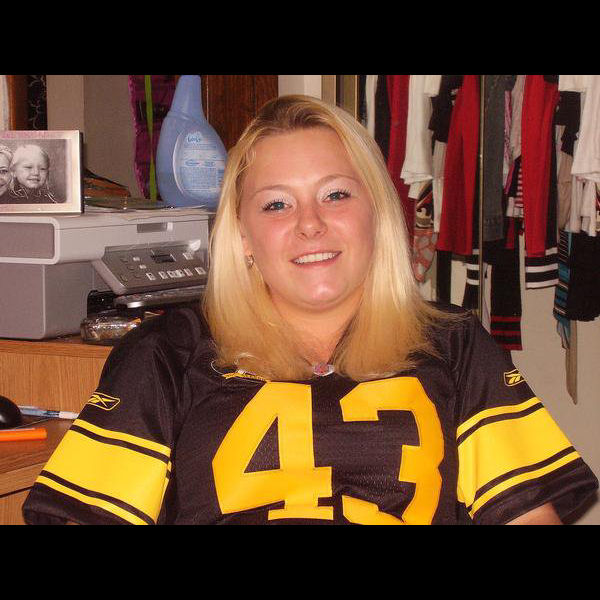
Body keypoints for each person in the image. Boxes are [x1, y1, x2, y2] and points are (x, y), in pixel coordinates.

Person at [22, 95, 598, 525]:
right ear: (243, 236)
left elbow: (529, 516)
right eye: (277, 204)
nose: (310, 224)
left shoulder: (454, 343)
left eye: (336, 194)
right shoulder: (164, 353)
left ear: (376, 212)